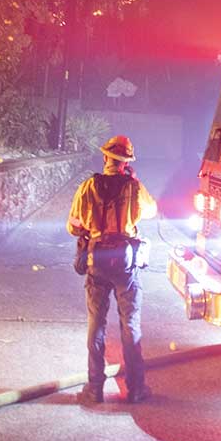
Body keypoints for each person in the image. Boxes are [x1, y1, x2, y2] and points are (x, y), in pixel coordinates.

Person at [67, 133, 157, 404]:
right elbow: (151, 210)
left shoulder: (87, 186)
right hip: (126, 264)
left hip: (97, 262)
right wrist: (135, 182)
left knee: (96, 323)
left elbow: (73, 225)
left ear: (105, 157)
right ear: (125, 162)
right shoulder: (133, 187)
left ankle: (95, 388)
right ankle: (136, 388)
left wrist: (92, 226)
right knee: (130, 324)